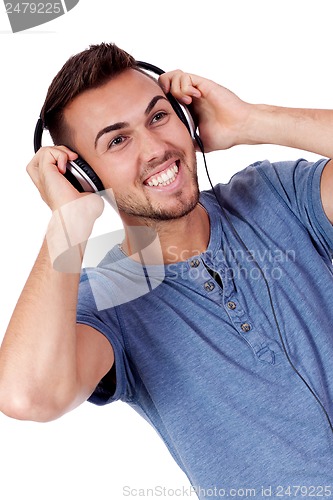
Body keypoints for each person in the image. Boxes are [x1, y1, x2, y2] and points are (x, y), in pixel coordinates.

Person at [1, 42, 333, 498]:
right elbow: (27, 397)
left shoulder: (276, 194)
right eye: (117, 140)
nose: (157, 148)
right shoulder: (107, 298)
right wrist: (66, 226)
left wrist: (252, 121)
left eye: (158, 116)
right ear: (85, 177)